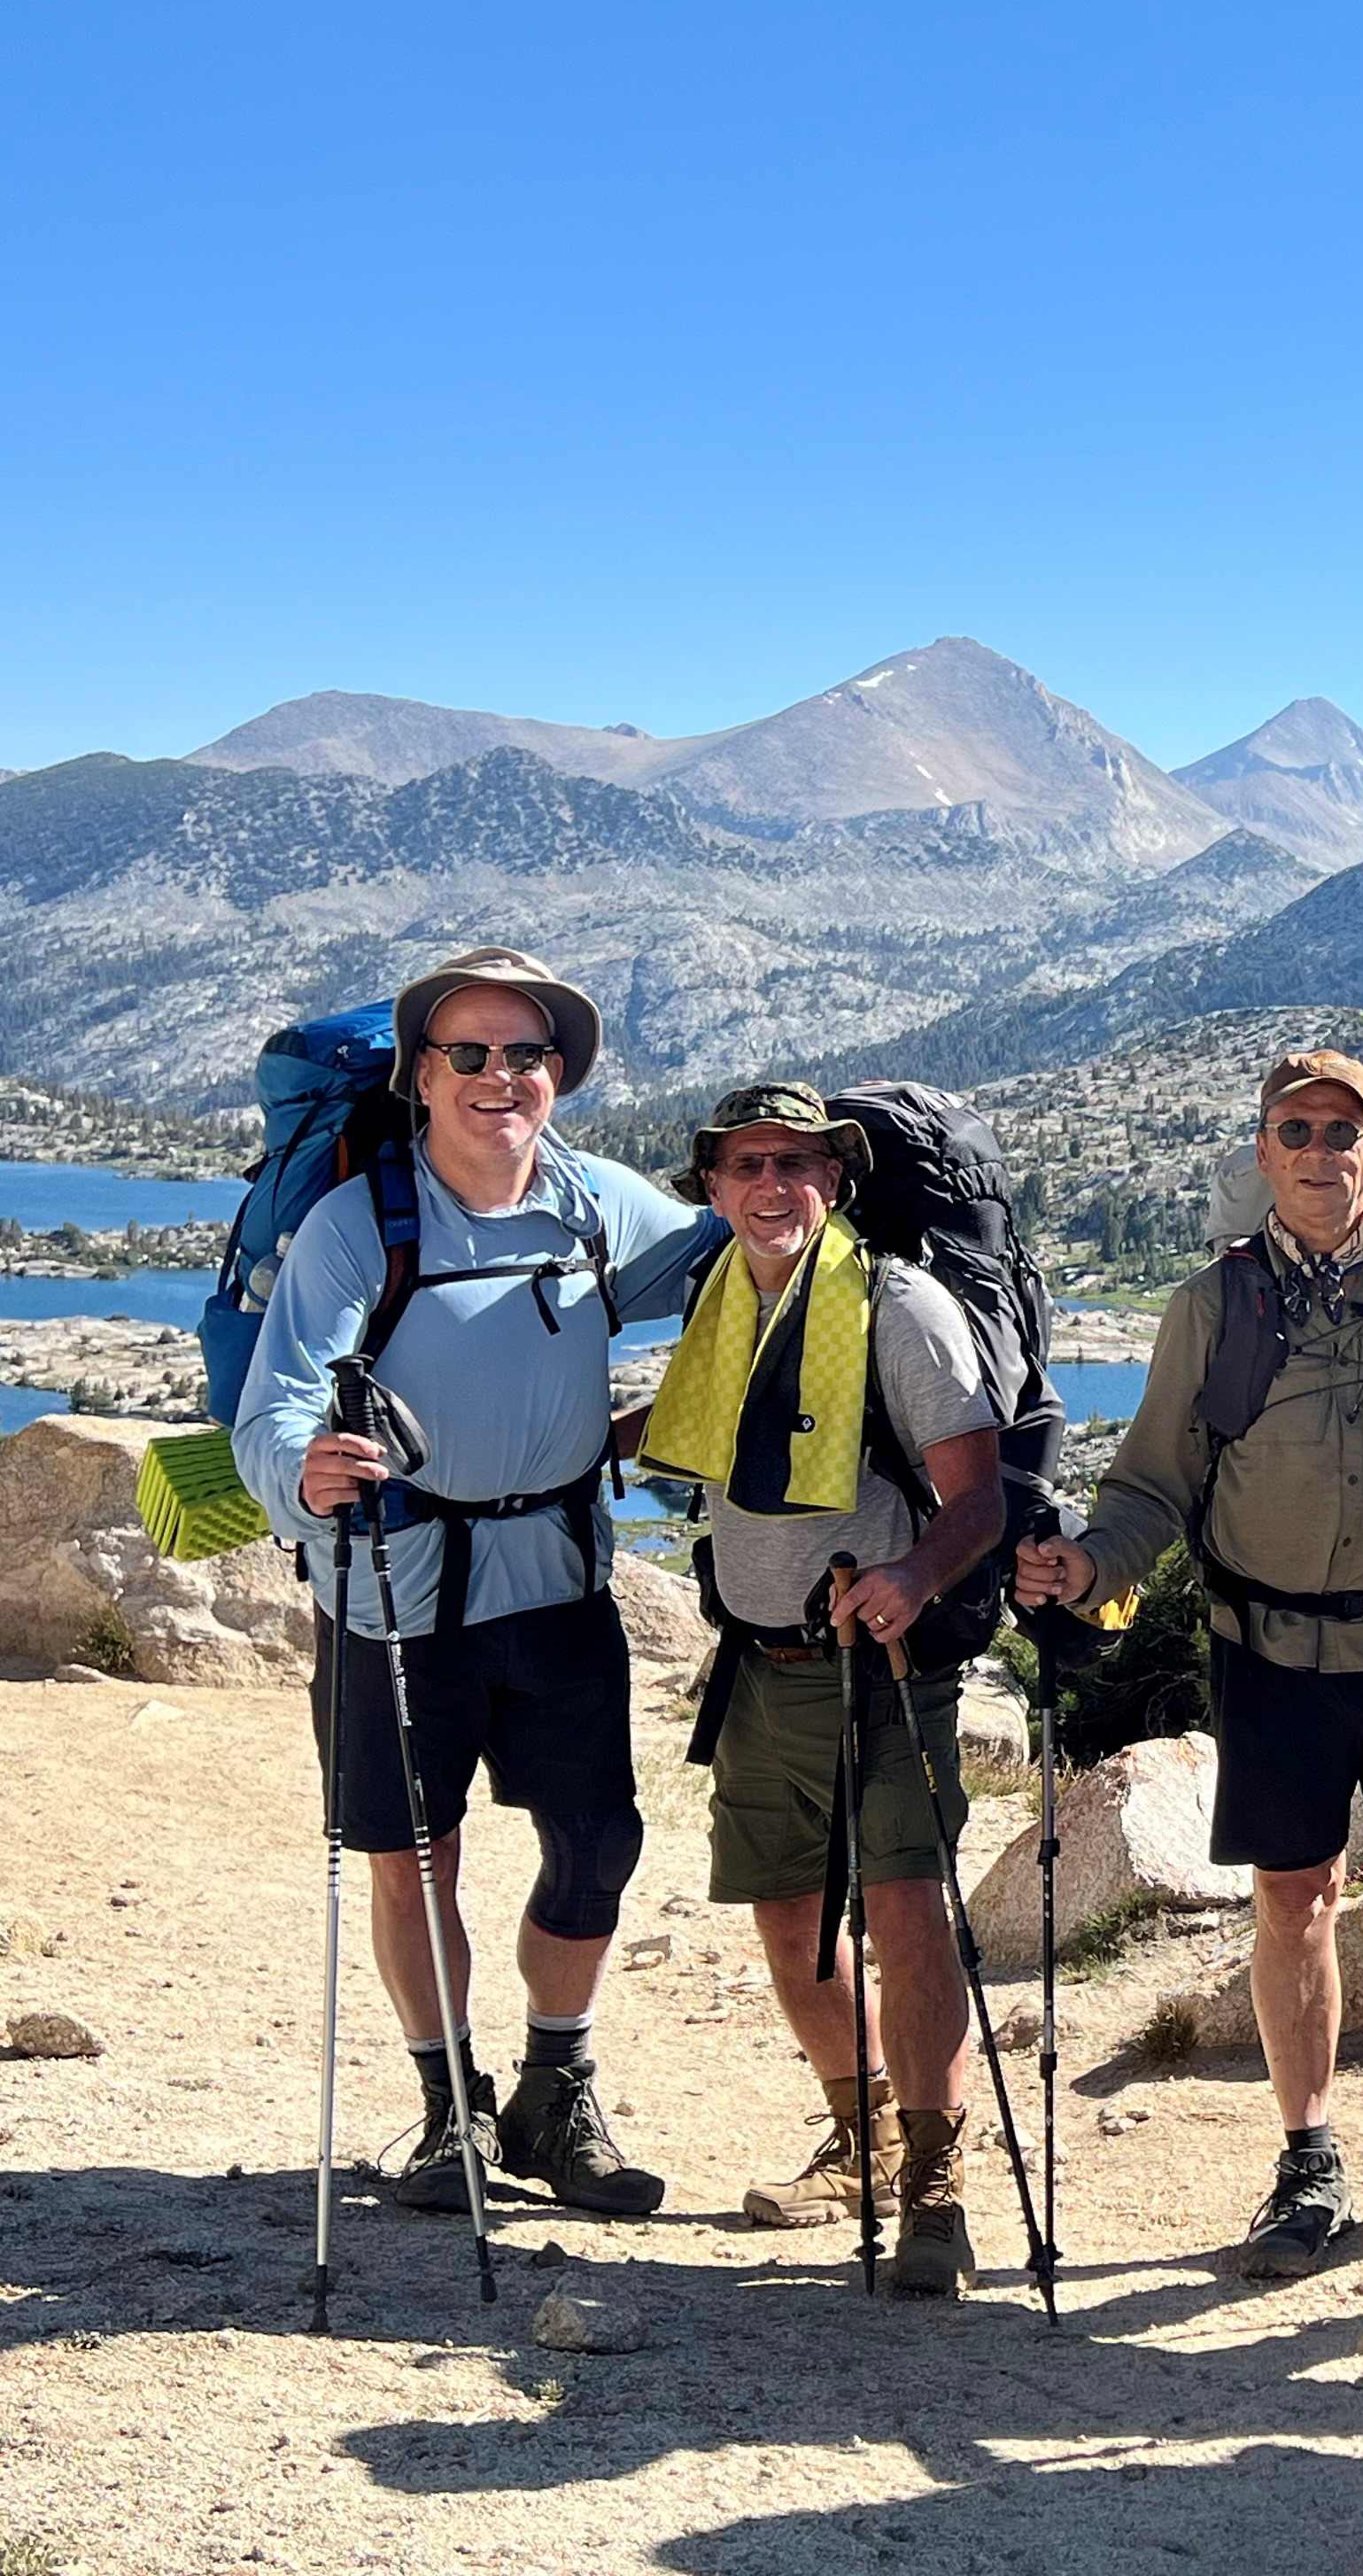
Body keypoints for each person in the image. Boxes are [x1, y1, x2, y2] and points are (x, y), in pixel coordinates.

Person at [1013, 1050, 1363, 2275]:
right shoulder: (1210, 1306)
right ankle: (1309, 2156)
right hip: (1272, 1655)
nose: (1321, 1152)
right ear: (1264, 1153)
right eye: (1297, 1131)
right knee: (1294, 1898)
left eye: (1344, 1131)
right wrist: (1091, 1567)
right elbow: (1153, 1483)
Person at [235, 945, 716, 2218]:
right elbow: (276, 1403)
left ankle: (554, 2096)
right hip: (393, 1592)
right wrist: (304, 1471)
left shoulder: (596, 1203)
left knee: (597, 1845)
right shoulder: (359, 1225)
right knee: (413, 1853)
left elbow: (735, 1262)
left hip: (557, 1583)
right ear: (421, 1073)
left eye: (526, 1053)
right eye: (470, 1053)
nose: (500, 1075)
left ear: (559, 1073)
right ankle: (448, 2109)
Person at [637, 1084, 1004, 2296]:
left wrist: (914, 1575)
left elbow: (981, 1498)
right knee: (789, 1918)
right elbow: (709, 1437)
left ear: (835, 1182)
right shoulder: (724, 1305)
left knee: (905, 1916)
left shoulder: (898, 1310)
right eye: (747, 1165)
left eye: (796, 1164)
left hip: (879, 1668)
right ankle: (866, 2138)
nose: (772, 1186)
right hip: (758, 1662)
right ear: (713, 1185)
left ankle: (936, 2189)